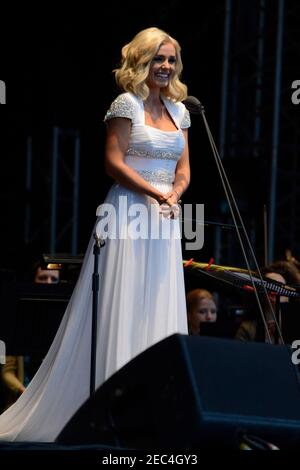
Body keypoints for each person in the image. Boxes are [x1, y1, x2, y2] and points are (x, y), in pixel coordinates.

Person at [0, 27, 191, 441]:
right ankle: (111, 409)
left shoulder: (180, 111)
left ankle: (153, 408)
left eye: (171, 60)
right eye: (158, 58)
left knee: (157, 300)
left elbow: (184, 167)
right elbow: (112, 162)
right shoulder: (126, 103)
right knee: (122, 298)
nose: (165, 66)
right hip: (127, 211)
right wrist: (154, 191)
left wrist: (175, 192)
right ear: (142, 60)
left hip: (164, 218)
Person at [0, 264, 60, 411]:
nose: (48, 283)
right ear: (33, 280)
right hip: (19, 405)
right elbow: (6, 371)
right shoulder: (17, 318)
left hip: (52, 406)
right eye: (42, 278)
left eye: (53, 279)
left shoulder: (63, 320)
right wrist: (26, 394)